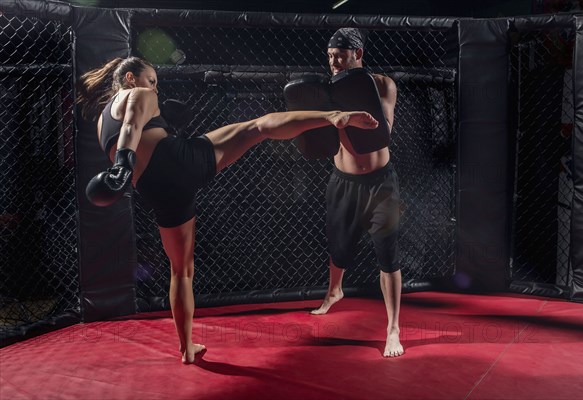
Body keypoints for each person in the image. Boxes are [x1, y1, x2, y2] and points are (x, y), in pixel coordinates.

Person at [77, 56, 379, 364]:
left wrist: (138, 151)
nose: (155, 87)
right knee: (257, 127)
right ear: (130, 78)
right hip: (176, 162)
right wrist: (122, 165)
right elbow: (130, 126)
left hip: (156, 190)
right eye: (152, 80)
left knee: (181, 271)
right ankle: (332, 115)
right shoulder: (138, 94)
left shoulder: (101, 120)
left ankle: (187, 348)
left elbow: (130, 131)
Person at [309, 28, 404, 357]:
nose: (333, 62)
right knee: (339, 246)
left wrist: (350, 115)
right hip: (343, 181)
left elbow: (384, 133)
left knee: (388, 255)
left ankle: (393, 329)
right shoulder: (325, 90)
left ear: (358, 54)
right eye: (330, 56)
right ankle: (335, 291)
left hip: (381, 183)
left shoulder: (382, 85)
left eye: (340, 55)